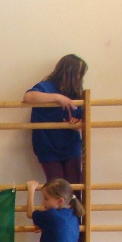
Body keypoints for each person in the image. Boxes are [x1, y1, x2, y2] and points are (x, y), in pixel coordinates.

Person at [24, 54, 87, 185]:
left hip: (70, 146)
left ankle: (74, 201)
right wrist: (58, 98)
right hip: (47, 146)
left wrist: (77, 123)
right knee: (56, 187)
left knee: (75, 186)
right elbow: (28, 97)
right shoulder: (46, 87)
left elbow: (81, 118)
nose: (80, 78)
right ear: (68, 72)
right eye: (78, 74)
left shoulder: (76, 93)